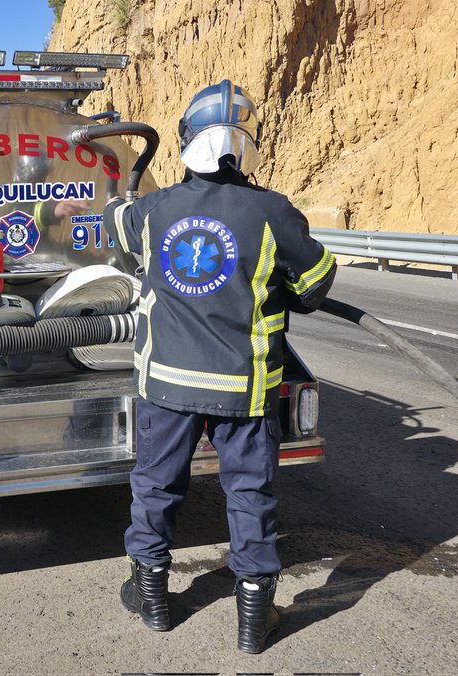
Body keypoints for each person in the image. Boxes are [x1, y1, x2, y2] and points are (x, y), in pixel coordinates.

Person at [105, 80, 336, 650]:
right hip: (245, 386)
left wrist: (116, 201)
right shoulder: (271, 212)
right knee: (249, 493)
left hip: (169, 383)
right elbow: (316, 284)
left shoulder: (155, 211)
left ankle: (153, 596)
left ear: (186, 141)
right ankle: (255, 615)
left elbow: (117, 226)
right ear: (246, 144)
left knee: (156, 486)